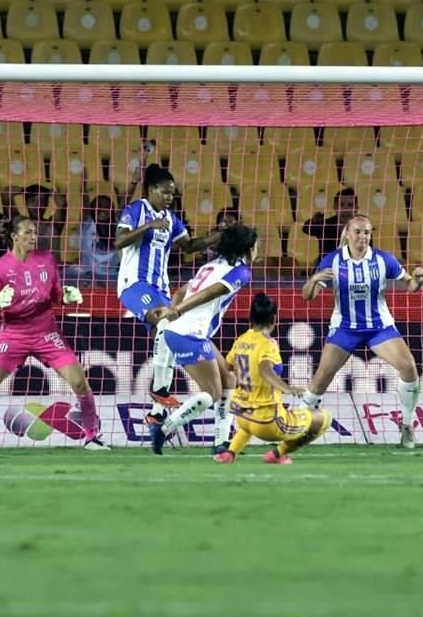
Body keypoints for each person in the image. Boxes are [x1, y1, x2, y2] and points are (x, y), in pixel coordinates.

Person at [0, 215, 108, 452]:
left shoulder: (46, 260)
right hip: (14, 334)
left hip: (46, 333)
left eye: (34, 232)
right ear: (14, 236)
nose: (33, 236)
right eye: (27, 232)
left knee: (79, 382)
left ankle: (91, 437)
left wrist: (66, 297)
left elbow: (55, 295)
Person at [299, 214, 423, 449]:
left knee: (409, 367)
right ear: (347, 234)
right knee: (321, 378)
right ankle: (296, 423)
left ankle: (407, 426)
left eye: (367, 232)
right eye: (358, 232)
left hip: (379, 327)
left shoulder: (383, 260)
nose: (363, 237)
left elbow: (409, 285)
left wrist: (418, 280)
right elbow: (309, 296)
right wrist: (315, 278)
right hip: (345, 327)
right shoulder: (332, 261)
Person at [115, 164, 224, 413]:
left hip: (159, 289)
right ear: (152, 189)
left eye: (172, 194)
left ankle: (157, 413)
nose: (169, 198)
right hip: (134, 284)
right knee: (167, 323)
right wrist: (147, 227)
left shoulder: (171, 219)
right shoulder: (137, 210)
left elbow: (190, 246)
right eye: (165, 192)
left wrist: (220, 234)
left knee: (167, 335)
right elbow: (119, 241)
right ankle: (160, 389)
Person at [144, 223, 258, 456]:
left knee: (229, 377)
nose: (257, 251)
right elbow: (210, 293)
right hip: (189, 333)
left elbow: (179, 293)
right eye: (256, 246)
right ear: (246, 249)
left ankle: (221, 441)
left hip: (187, 331)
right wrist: (176, 313)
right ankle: (163, 429)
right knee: (212, 393)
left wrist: (173, 313)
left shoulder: (211, 265)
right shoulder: (241, 272)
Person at [214, 293, 333, 464]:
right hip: (268, 422)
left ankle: (230, 453)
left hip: (243, 417)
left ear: (250, 318)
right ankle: (278, 453)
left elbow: (228, 367)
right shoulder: (268, 344)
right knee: (323, 418)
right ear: (274, 319)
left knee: (248, 424)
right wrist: (288, 388)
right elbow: (264, 368)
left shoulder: (241, 340)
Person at [65, 195, 120, 284]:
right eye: (98, 206)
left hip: (113, 277)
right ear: (92, 209)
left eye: (106, 207)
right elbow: (84, 201)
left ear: (112, 210)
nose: (102, 209)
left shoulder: (119, 225)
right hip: (88, 278)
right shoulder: (87, 225)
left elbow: (124, 203)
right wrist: (84, 184)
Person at [302, 187, 357, 263]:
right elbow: (306, 228)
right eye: (342, 205)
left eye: (350, 205)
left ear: (356, 208)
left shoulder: (363, 229)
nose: (345, 209)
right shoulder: (326, 225)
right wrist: (314, 220)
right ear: (335, 207)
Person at [22, 184, 65, 260]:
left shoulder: (53, 224)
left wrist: (50, 192)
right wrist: (23, 190)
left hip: (53, 270)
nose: (37, 205)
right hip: (31, 270)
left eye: (42, 201)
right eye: (33, 201)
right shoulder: (19, 224)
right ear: (26, 203)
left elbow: (62, 204)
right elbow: (7, 193)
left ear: (47, 204)